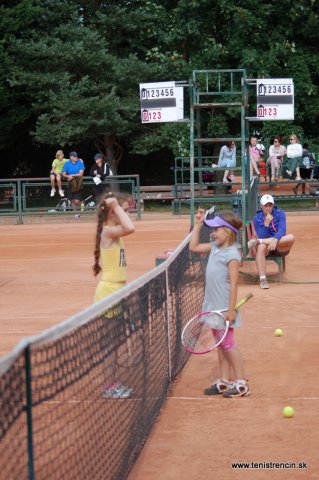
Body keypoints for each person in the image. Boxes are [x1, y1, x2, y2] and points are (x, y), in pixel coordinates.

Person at [189, 210, 250, 398]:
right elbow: (193, 246)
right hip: (213, 306)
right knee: (221, 344)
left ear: (228, 231)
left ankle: (241, 383)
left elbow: (234, 284)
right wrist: (198, 224)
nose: (213, 233)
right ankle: (224, 380)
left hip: (224, 308)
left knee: (229, 344)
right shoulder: (215, 246)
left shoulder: (232, 254)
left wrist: (231, 310)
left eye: (216, 230)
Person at [92, 192, 135, 398]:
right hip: (108, 293)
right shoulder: (108, 232)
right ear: (112, 211)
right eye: (123, 211)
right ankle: (108, 386)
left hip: (116, 292)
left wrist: (118, 207)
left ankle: (112, 382)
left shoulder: (113, 232)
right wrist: (117, 206)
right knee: (110, 344)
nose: (126, 214)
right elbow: (131, 228)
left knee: (114, 342)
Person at [248, 194, 295, 289]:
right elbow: (262, 235)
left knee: (291, 237)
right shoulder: (257, 218)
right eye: (266, 205)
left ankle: (259, 241)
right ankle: (263, 279)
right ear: (261, 206)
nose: (268, 208)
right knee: (261, 247)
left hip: (279, 245)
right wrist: (266, 223)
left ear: (273, 205)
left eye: (270, 205)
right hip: (266, 248)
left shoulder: (280, 213)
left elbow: (282, 230)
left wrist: (275, 240)